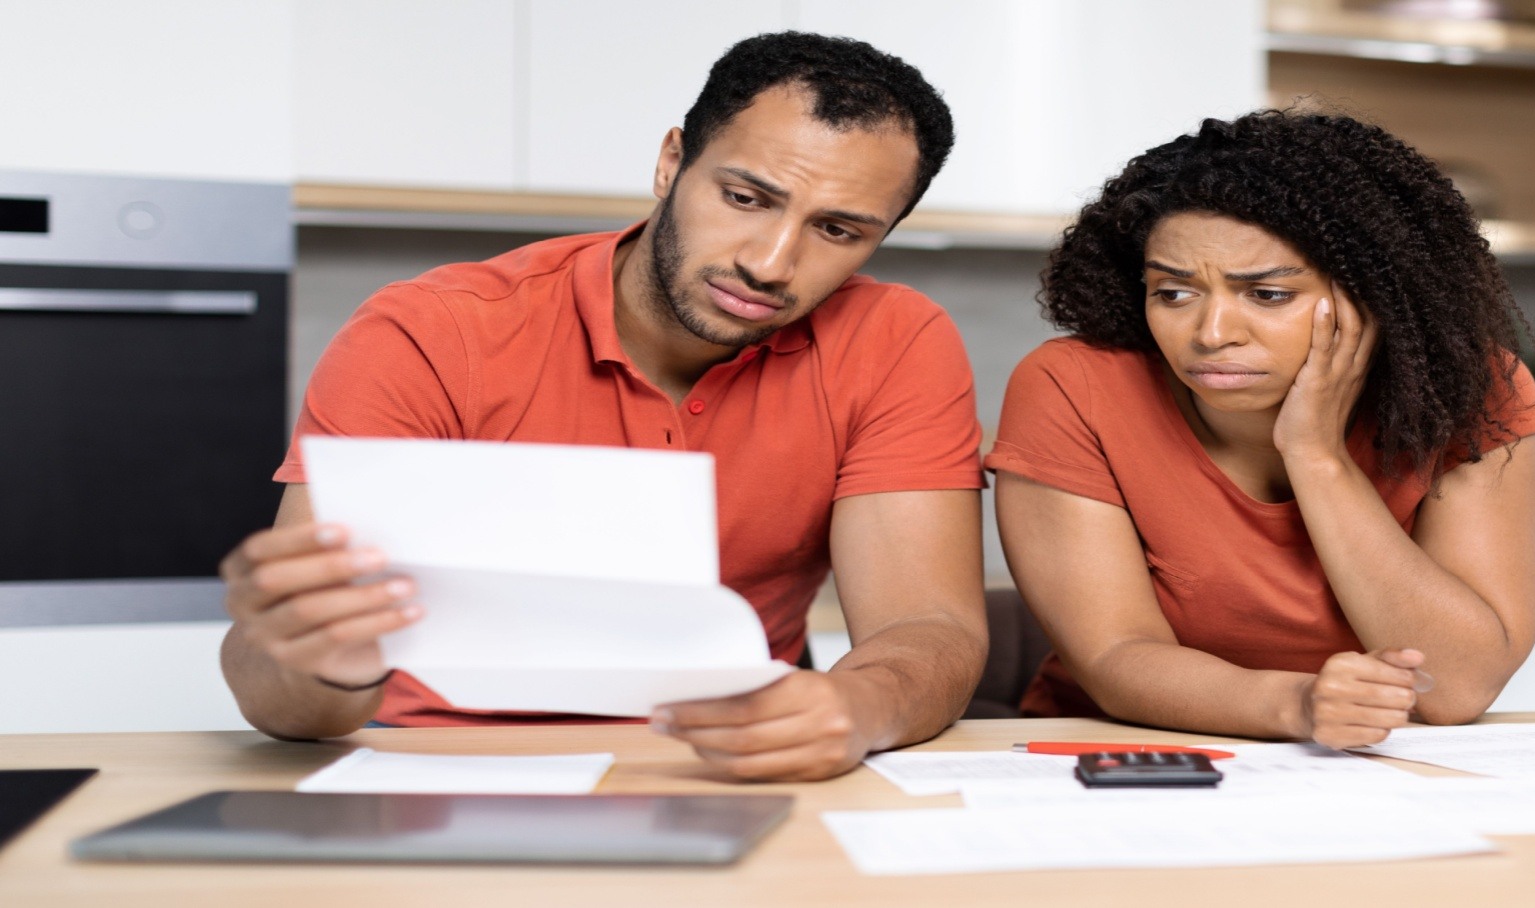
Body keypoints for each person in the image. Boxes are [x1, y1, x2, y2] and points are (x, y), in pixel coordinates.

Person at [219, 32, 989, 781]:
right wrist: (315, 665)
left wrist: (860, 706)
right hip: (428, 764)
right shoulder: (432, 330)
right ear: (670, 162)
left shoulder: (895, 341)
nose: (769, 263)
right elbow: (279, 693)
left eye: (837, 230)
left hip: (726, 765)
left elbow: (927, 628)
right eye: (746, 197)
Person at [987, 109, 1535, 748]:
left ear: (1373, 291)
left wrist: (1317, 456)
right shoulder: (1076, 386)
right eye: (1173, 293)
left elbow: (1457, 686)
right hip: (1125, 759)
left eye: (1267, 294)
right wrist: (1298, 704)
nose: (1211, 334)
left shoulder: (1470, 389)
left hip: (1388, 770)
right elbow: (1118, 658)